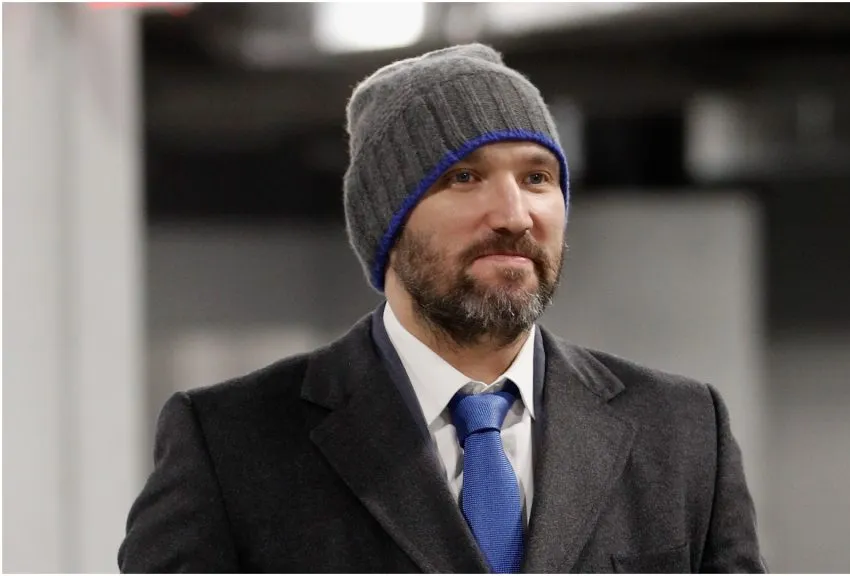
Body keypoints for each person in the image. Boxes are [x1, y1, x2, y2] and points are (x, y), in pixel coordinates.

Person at [119, 43, 766, 574]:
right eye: (464, 177)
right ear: (388, 224)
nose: (514, 215)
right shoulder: (232, 443)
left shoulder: (681, 431)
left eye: (537, 178)